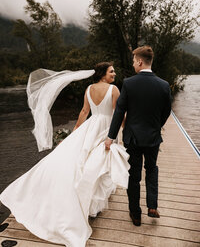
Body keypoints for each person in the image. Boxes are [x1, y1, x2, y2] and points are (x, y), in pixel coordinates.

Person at [0, 62, 130, 247]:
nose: (114, 74)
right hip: (107, 128)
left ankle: (90, 204)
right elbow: (118, 113)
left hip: (91, 127)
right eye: (111, 71)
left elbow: (85, 111)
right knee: (100, 163)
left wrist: (76, 131)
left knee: (86, 161)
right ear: (103, 74)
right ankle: (92, 206)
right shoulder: (114, 90)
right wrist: (127, 130)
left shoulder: (88, 89)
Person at [105, 46, 171, 226]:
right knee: (151, 169)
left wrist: (111, 137)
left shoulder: (129, 83)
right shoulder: (164, 85)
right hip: (153, 138)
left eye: (134, 61)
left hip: (132, 138)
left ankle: (135, 214)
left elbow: (119, 111)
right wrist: (156, 127)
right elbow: (166, 112)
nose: (133, 64)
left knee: (133, 176)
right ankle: (152, 206)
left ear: (140, 62)